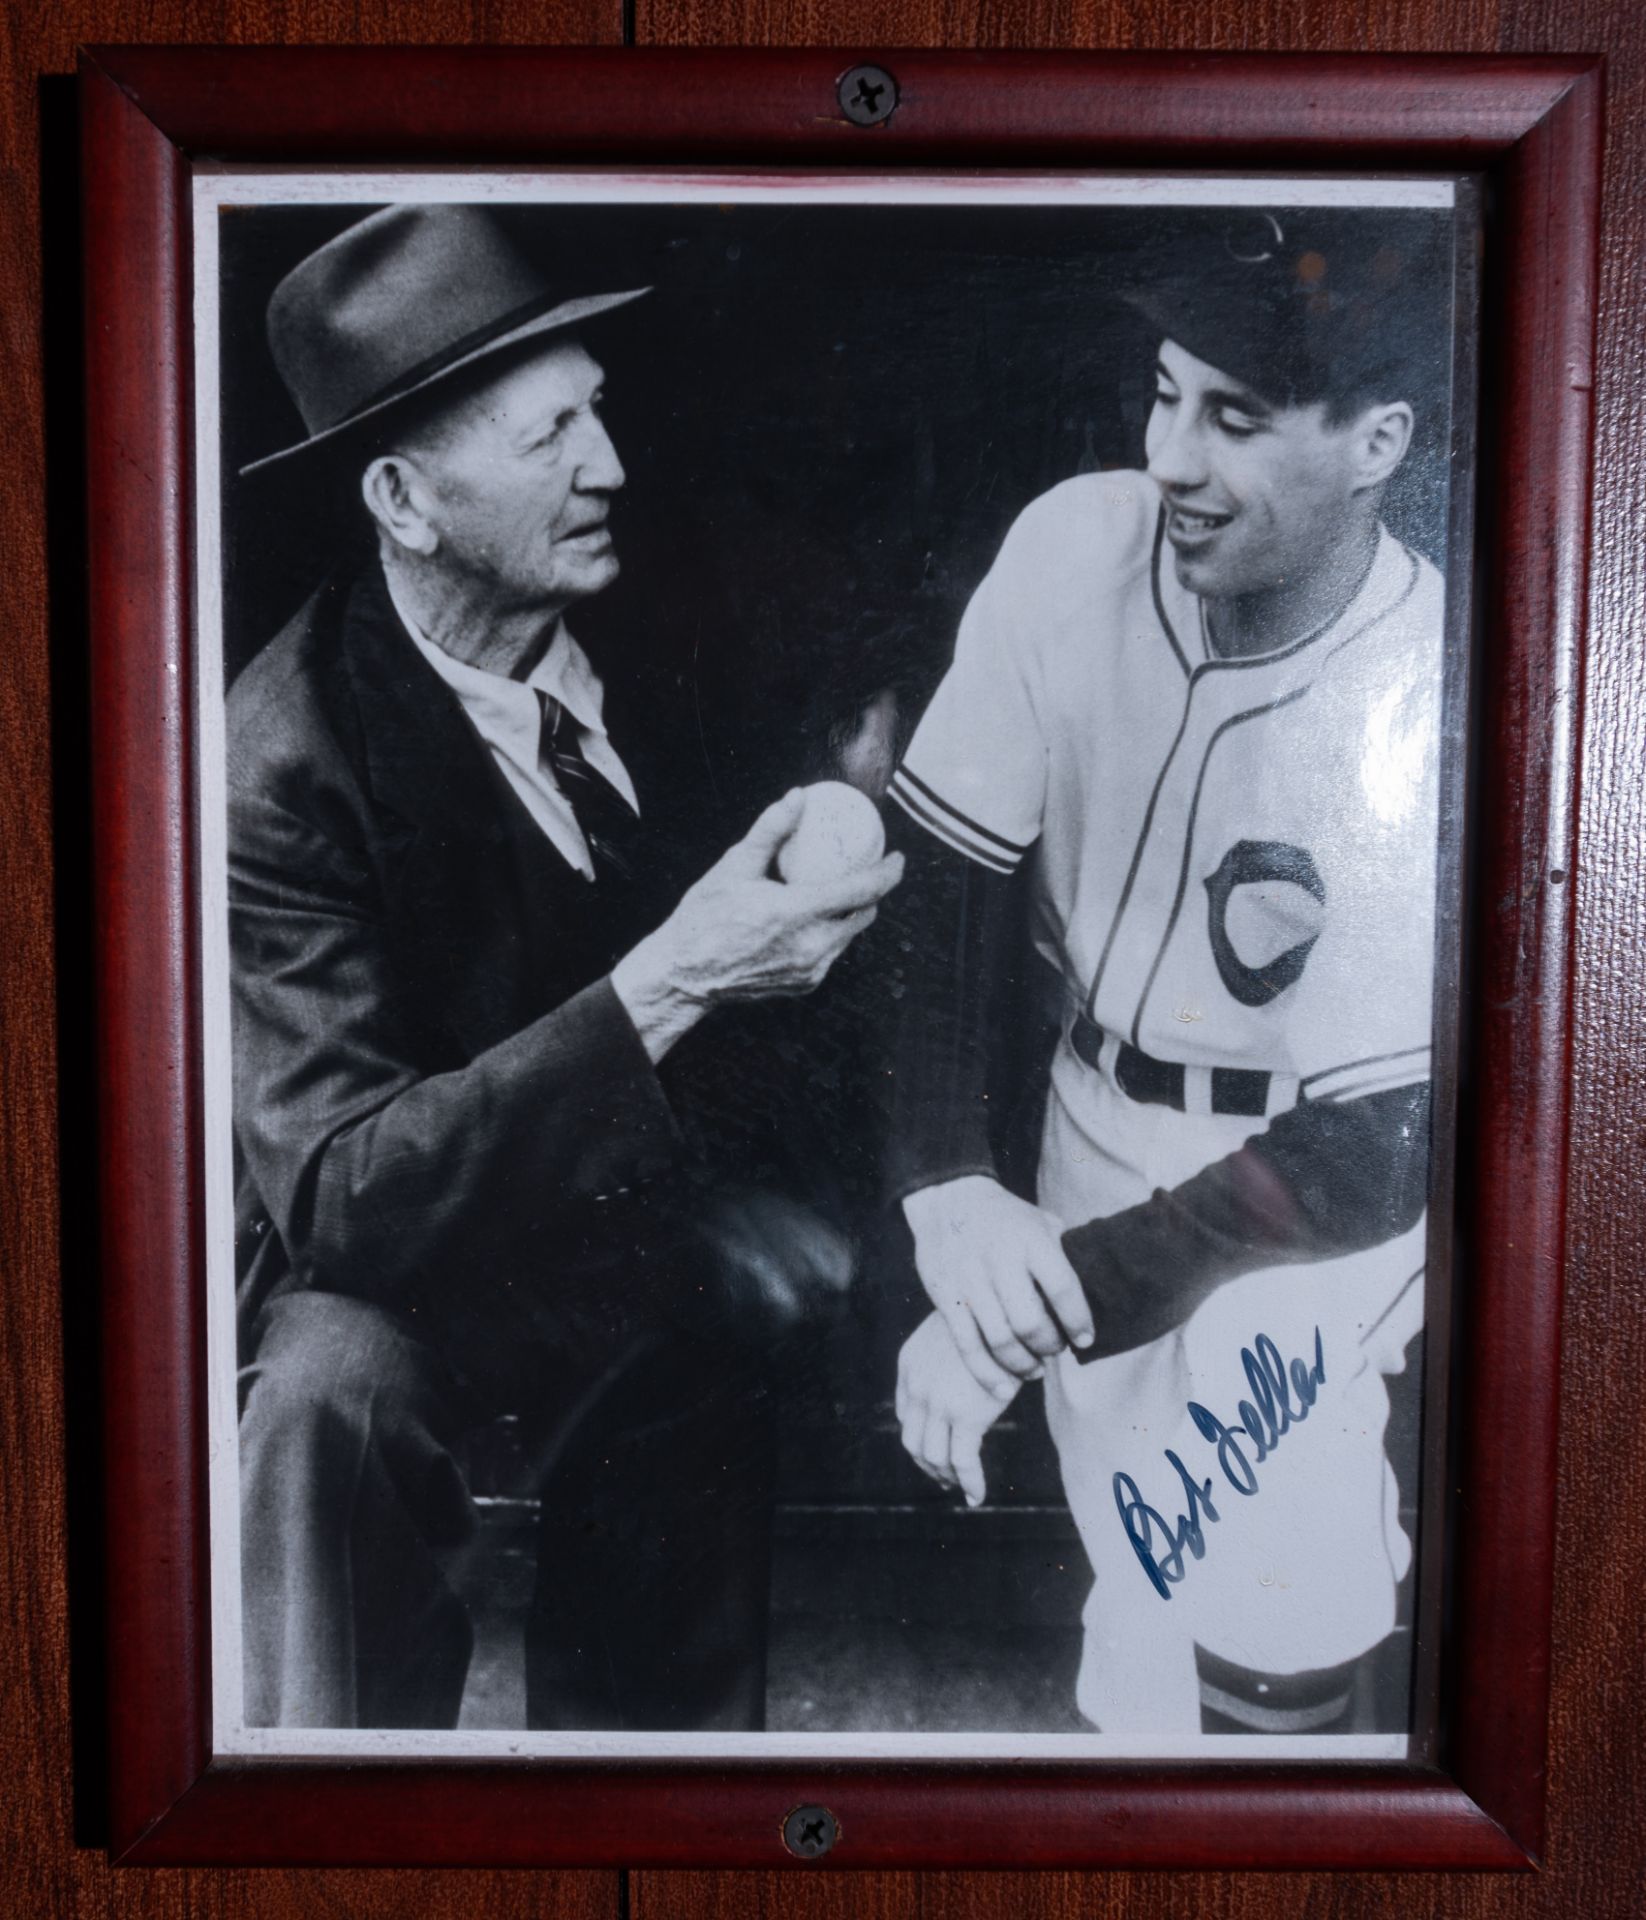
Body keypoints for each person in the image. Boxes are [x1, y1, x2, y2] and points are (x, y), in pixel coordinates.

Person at [229, 204, 902, 1730]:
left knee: (725, 1314)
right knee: (324, 1390)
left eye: (597, 411)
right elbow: (342, 1194)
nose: (608, 465)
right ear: (405, 499)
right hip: (415, 1272)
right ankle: (323, 1812)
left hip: (651, 1230)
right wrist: (676, 977)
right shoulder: (279, 766)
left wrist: (846, 792)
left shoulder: (645, 591)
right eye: (550, 440)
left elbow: (864, 681)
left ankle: (656, 1808)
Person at [886, 210, 1445, 1736]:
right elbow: (941, 889)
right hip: (1089, 1111)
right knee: (1144, 1588)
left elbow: (1369, 1154)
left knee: (1265, 1541)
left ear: (1375, 440)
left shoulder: (1433, 678)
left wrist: (1034, 1304)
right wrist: (945, 1180)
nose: (1171, 459)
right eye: (1162, 392)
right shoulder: (1074, 544)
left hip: (1317, 1189)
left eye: (1236, 418)